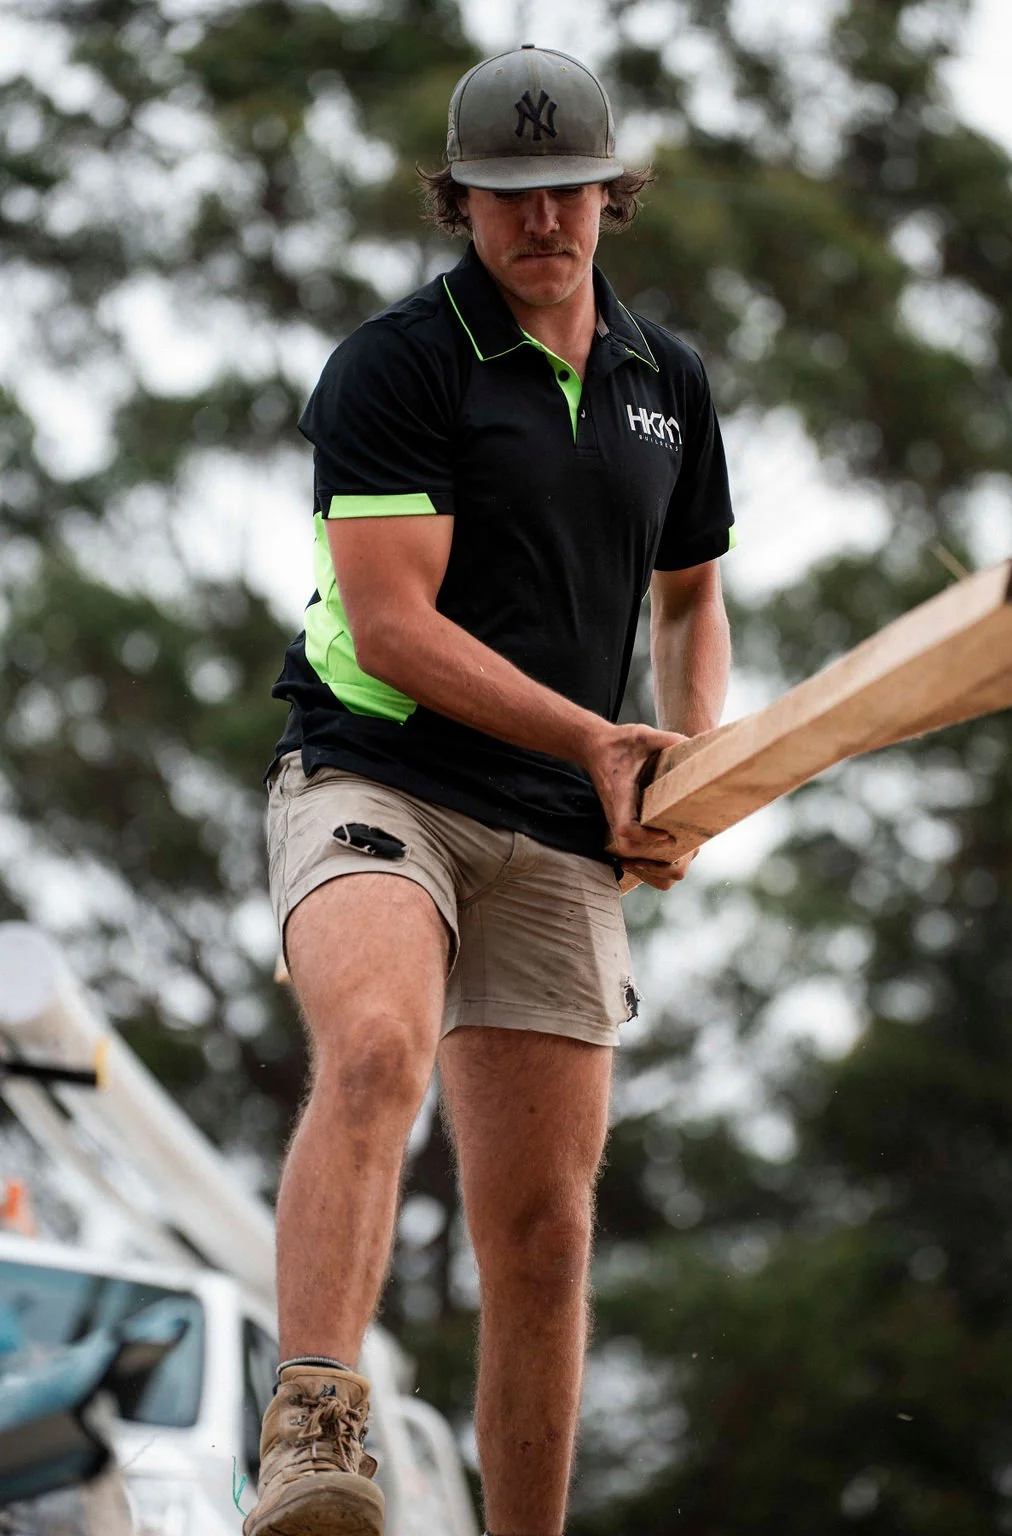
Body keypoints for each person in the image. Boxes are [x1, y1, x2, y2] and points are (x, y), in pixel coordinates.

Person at [247, 42, 733, 1536]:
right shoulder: (397, 365)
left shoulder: (667, 384)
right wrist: (595, 739)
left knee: (544, 1234)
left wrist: (690, 770)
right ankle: (317, 1431)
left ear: (611, 195)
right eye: (508, 197)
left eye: (569, 192)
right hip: (378, 771)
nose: (543, 223)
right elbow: (393, 624)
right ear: (459, 203)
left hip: (562, 834)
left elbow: (692, 598)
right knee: (381, 1046)